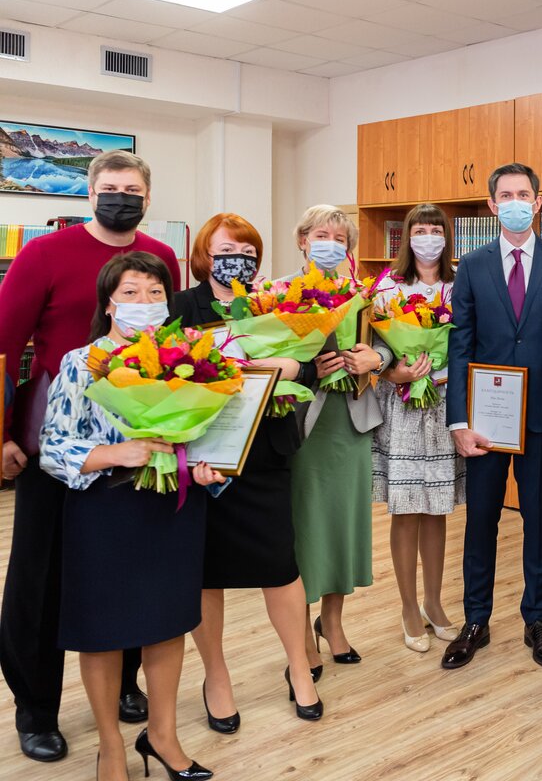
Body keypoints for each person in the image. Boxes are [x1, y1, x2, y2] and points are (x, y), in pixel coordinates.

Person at [0, 150, 179, 762]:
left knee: (127, 566)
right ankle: (36, 707)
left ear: (147, 198)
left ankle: (126, 684)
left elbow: (168, 347)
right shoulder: (43, 254)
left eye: (132, 189)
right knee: (41, 577)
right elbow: (4, 344)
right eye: (110, 187)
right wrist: (1, 436)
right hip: (57, 438)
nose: (120, 197)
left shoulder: (160, 257)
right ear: (90, 192)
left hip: (139, 438)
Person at [39, 251, 222, 781]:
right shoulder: (82, 363)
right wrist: (117, 453)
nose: (145, 302)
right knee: (102, 632)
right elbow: (53, 447)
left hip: (172, 506)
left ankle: (162, 736)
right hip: (105, 510)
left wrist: (208, 469)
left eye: (155, 292)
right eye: (131, 292)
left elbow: (209, 431)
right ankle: (111, 749)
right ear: (109, 304)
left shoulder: (192, 362)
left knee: (167, 624)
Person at [171, 213, 323, 728]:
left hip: (264, 453)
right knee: (206, 573)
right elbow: (162, 373)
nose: (237, 259)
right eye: (226, 250)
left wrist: (294, 367)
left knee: (280, 566)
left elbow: (314, 361)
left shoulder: (275, 302)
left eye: (247, 251)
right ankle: (216, 677)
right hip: (206, 459)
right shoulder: (181, 306)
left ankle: (299, 667)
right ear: (204, 256)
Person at [441, 163, 542, 670]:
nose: (515, 201)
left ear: (537, 203)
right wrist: (458, 422)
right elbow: (460, 346)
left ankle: (536, 618)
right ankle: (475, 620)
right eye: (506, 195)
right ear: (492, 204)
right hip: (486, 422)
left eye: (524, 194)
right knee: (482, 520)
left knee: (539, 521)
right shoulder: (472, 266)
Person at [286, 205, 382, 671]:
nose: (330, 244)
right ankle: (300, 635)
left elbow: (388, 344)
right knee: (306, 527)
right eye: (321, 235)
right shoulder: (281, 293)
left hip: (351, 421)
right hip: (305, 423)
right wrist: (306, 366)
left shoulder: (362, 294)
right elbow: (266, 352)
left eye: (340, 239)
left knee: (344, 524)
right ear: (303, 240)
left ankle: (333, 622)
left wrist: (374, 359)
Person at [372, 204, 465, 653]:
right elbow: (374, 348)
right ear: (407, 237)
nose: (428, 237)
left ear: (447, 236)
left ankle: (433, 601)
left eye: (436, 230)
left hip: (446, 404)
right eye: (420, 230)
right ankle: (408, 606)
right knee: (406, 509)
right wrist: (398, 374)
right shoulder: (387, 286)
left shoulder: (459, 283)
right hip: (403, 405)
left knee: (437, 510)